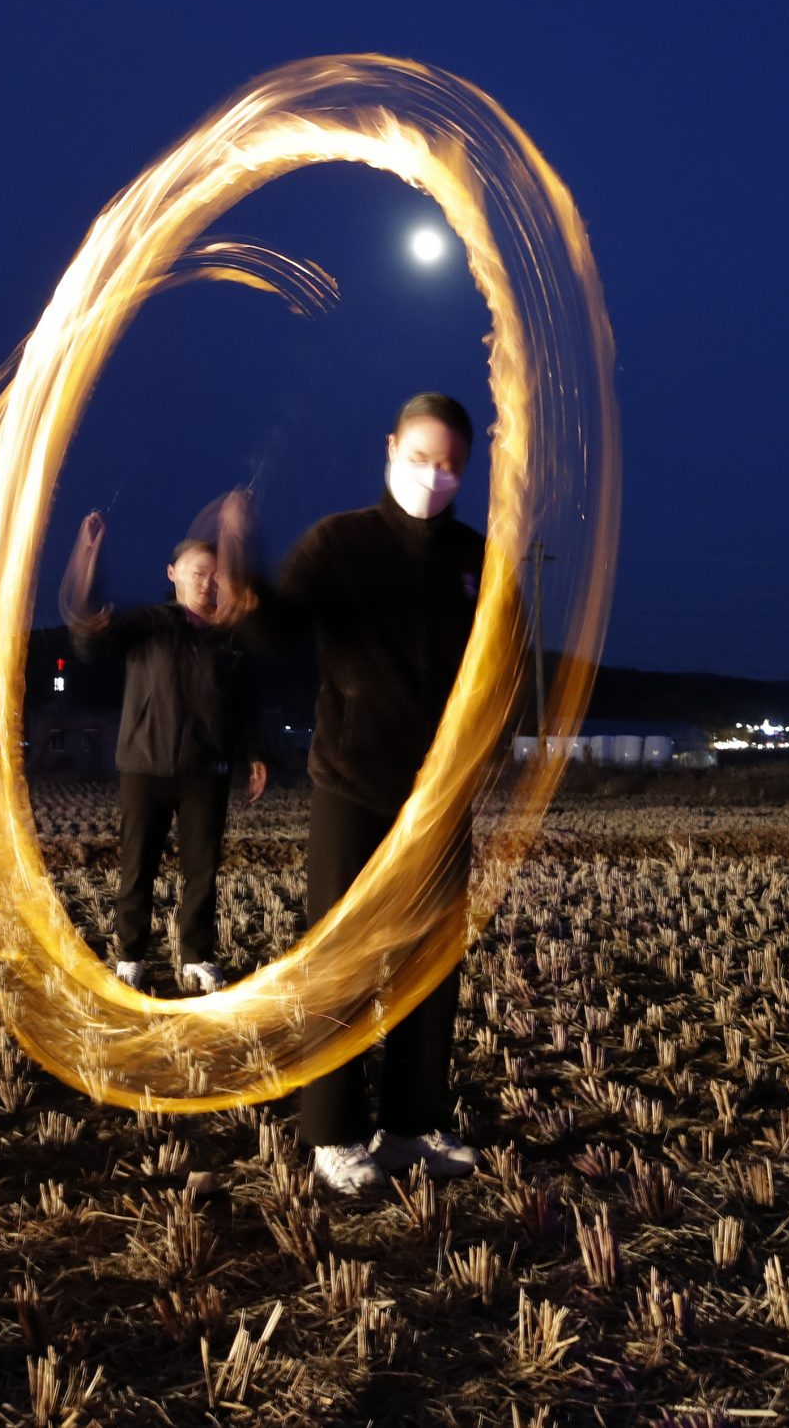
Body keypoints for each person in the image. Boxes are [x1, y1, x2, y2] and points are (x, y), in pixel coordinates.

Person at [222, 391, 500, 1196]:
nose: (434, 476)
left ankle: (412, 1125)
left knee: (430, 963)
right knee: (341, 962)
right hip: (353, 784)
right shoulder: (340, 543)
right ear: (390, 447)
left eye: (450, 465)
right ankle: (334, 1134)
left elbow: (496, 670)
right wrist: (244, 572)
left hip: (440, 796)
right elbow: (278, 627)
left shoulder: (476, 559)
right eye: (420, 458)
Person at [62, 521, 266, 995]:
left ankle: (197, 957)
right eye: (198, 572)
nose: (207, 583)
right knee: (138, 868)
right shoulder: (149, 624)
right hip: (144, 765)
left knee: (202, 870)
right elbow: (90, 638)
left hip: (206, 771)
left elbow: (244, 704)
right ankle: (131, 955)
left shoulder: (229, 637)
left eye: (215, 575)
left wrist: (253, 753)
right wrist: (88, 561)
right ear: (172, 573)